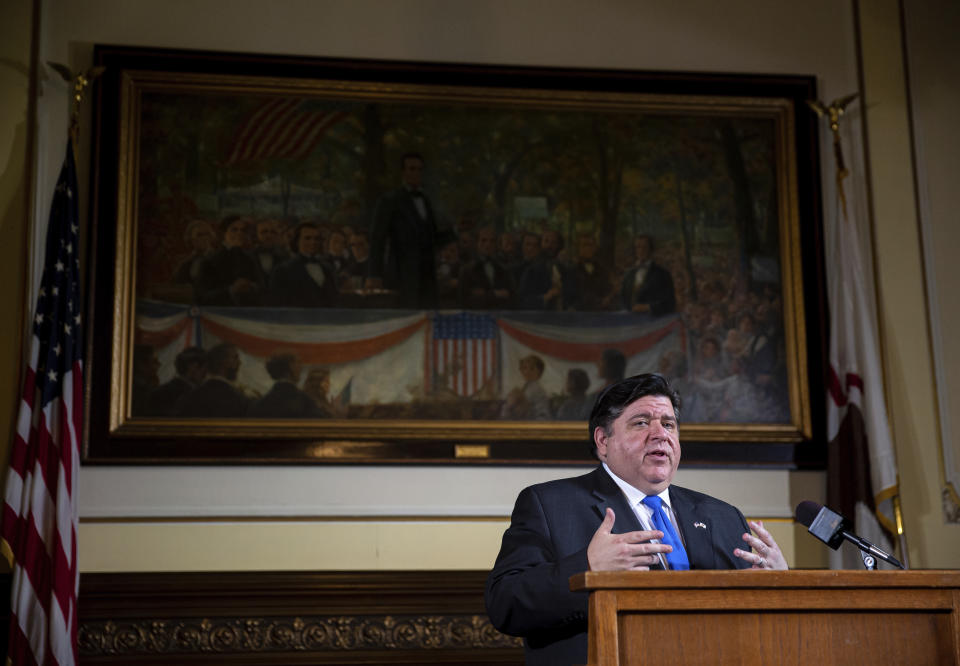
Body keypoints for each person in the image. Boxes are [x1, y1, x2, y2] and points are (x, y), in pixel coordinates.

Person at [485, 373, 787, 665]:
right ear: (603, 441)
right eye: (641, 423)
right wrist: (587, 568)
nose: (661, 434)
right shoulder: (550, 504)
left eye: (668, 424)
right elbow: (505, 605)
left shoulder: (722, 515)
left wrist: (781, 588)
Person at [366, 152, 454, 308]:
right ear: (403, 172)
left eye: (419, 169)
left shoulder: (426, 200)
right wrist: (374, 274)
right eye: (412, 169)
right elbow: (377, 238)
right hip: (401, 274)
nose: (416, 173)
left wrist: (453, 232)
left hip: (426, 275)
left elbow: (431, 237)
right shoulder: (389, 200)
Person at [269, 223, 339, 307]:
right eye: (307, 238)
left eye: (316, 239)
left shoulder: (328, 268)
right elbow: (278, 304)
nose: (313, 242)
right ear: (297, 241)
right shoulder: (283, 270)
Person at [620, 234, 676, 316]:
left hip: (652, 321)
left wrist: (648, 307)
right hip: (628, 322)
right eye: (638, 247)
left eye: (644, 247)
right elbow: (622, 301)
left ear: (651, 249)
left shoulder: (662, 274)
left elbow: (670, 303)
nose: (641, 250)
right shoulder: (628, 274)